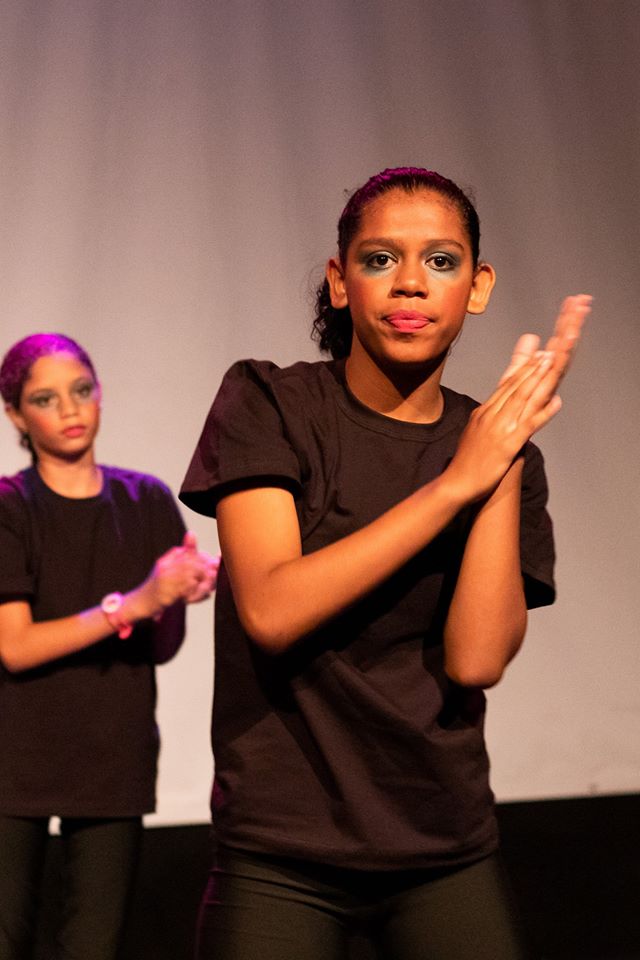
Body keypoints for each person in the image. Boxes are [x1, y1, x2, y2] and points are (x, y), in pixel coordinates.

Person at [179, 167, 591, 960]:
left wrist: (500, 459)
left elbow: (476, 660)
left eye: (440, 260)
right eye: (379, 260)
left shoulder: (498, 452)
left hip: (443, 841)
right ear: (341, 282)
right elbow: (271, 610)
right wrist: (457, 485)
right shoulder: (270, 403)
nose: (410, 283)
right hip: (282, 849)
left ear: (477, 286)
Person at [0, 333, 218, 960]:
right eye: (45, 398)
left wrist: (180, 593)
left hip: (112, 759)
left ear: (100, 395)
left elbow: (160, 648)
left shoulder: (145, 499)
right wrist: (135, 602)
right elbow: (15, 647)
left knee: (95, 946)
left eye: (81, 390)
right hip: (14, 762)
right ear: (16, 415)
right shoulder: (10, 507)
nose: (70, 409)